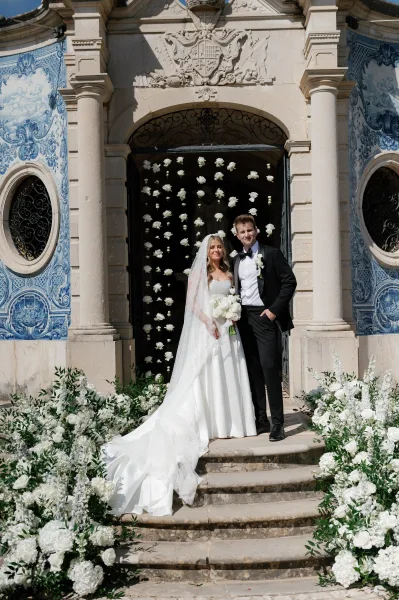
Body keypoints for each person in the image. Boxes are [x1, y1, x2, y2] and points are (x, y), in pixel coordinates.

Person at [103, 234, 256, 517]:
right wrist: (210, 320)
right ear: (206, 252)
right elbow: (193, 304)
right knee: (208, 377)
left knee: (229, 376)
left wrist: (232, 313)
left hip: (230, 333)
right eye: (212, 247)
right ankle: (212, 422)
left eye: (219, 246)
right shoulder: (202, 273)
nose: (216, 250)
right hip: (210, 331)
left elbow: (234, 297)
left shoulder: (229, 271)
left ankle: (232, 423)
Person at [232, 215, 297, 442]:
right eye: (242, 232)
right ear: (236, 234)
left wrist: (273, 311)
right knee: (253, 370)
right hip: (243, 320)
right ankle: (261, 419)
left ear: (256, 230)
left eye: (250, 230)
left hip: (264, 317)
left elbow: (290, 281)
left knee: (270, 369)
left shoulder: (271, 254)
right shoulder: (236, 260)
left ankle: (278, 424)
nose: (247, 234)